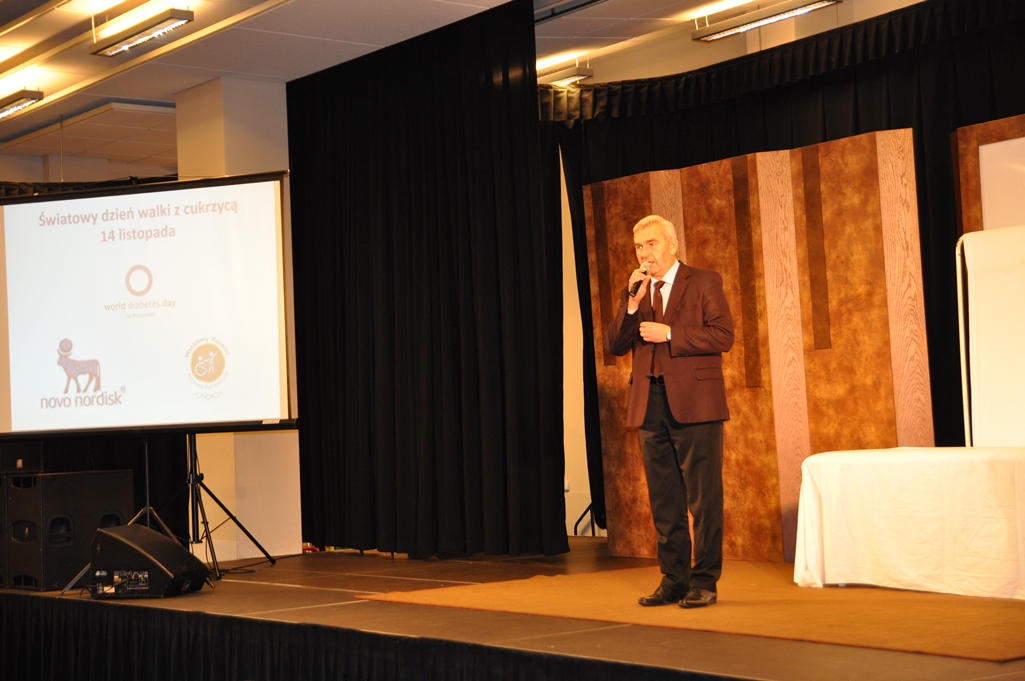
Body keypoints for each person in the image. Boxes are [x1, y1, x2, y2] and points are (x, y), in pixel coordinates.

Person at [605, 214, 735, 609]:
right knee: (664, 499)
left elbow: (723, 335)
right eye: (639, 247)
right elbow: (615, 345)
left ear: (673, 246)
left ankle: (705, 581)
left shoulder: (704, 281)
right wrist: (632, 304)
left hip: (696, 402)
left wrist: (672, 334)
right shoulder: (637, 291)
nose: (645, 253)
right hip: (650, 402)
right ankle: (674, 580)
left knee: (703, 498)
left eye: (652, 244)